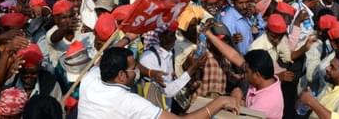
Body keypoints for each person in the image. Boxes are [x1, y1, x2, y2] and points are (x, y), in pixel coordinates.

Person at [77, 47, 241, 119]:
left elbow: (102, 59)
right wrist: (220, 101)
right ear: (121, 75)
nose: (138, 71)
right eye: (134, 68)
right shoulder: (130, 102)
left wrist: (128, 38)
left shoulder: (90, 79)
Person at [299, 50, 339, 119]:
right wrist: (308, 102)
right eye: (330, 64)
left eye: (332, 67)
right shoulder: (332, 85)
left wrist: (312, 102)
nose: (327, 68)